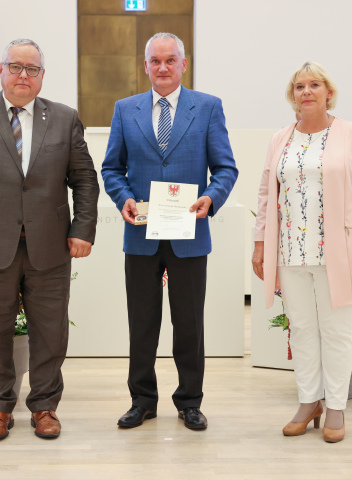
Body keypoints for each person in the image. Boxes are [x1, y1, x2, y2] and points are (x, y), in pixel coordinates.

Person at [0, 39, 99, 442]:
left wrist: (82, 229)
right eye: (16, 67)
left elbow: (84, 181)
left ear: (43, 76)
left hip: (50, 246)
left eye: (32, 69)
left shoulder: (64, 118)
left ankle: (44, 406)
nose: (23, 75)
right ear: (1, 70)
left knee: (51, 331)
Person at [101, 32, 238, 431]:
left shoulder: (208, 108)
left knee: (189, 324)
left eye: (170, 60)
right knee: (142, 323)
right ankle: (142, 400)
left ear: (183, 64)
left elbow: (226, 168)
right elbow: (112, 168)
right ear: (145, 66)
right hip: (141, 234)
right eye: (155, 61)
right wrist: (122, 197)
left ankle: (189, 401)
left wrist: (211, 198)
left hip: (189, 234)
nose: (162, 68)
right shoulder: (125, 110)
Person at [252, 61, 352, 443]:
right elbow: (265, 193)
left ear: (328, 92)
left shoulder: (351, 134)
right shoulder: (281, 139)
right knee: (303, 329)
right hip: (290, 250)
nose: (306, 91)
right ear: (293, 95)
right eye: (299, 86)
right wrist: (260, 242)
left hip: (337, 250)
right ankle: (309, 401)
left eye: (314, 84)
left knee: (337, 330)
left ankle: (336, 405)